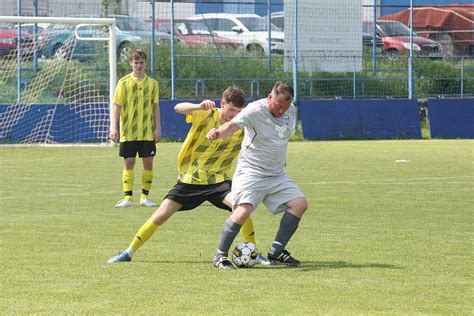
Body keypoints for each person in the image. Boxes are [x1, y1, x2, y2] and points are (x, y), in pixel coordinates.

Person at [108, 86, 270, 264]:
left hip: (218, 180)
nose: (234, 114)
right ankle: (128, 252)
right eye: (231, 109)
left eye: (238, 111)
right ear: (222, 103)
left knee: (242, 208)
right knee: (160, 215)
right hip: (190, 180)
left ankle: (254, 252)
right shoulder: (206, 114)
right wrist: (198, 106)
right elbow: (178, 108)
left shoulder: (241, 124)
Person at [206, 82, 308, 269]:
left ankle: (276, 251)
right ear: (270, 97)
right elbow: (232, 125)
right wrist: (218, 132)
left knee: (300, 204)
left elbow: (282, 137)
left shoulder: (290, 110)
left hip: (276, 173)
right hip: (251, 172)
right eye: (277, 106)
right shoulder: (254, 110)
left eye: (284, 108)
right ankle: (220, 256)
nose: (280, 111)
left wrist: (280, 157)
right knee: (243, 211)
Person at [109, 48, 161, 208]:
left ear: (145, 63)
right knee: (129, 162)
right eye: (135, 62)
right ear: (131, 63)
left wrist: (158, 127)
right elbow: (116, 107)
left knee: (148, 162)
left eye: (141, 62)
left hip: (146, 132)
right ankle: (128, 198)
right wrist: (113, 127)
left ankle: (145, 197)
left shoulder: (153, 84)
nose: (138, 65)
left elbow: (155, 107)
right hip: (128, 132)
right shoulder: (123, 83)